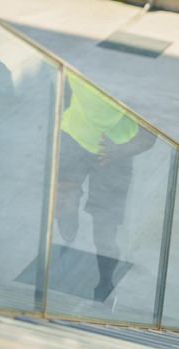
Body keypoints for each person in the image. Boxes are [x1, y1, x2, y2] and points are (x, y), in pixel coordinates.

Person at [55, 72, 155, 302]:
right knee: (64, 197)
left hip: (115, 156)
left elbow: (150, 137)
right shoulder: (80, 62)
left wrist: (117, 151)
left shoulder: (138, 82)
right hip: (74, 138)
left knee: (105, 230)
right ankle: (67, 215)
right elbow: (67, 89)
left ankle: (105, 283)